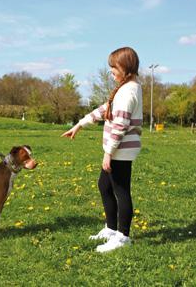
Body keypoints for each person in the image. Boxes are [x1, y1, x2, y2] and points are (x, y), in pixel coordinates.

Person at [61, 47, 142, 253]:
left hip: (119, 151)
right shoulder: (124, 89)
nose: (111, 72)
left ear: (125, 67)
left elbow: (120, 126)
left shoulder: (129, 91)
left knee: (121, 190)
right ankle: (111, 228)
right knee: (104, 186)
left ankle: (122, 236)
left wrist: (109, 152)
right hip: (117, 150)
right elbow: (103, 110)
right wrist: (79, 124)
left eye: (113, 67)